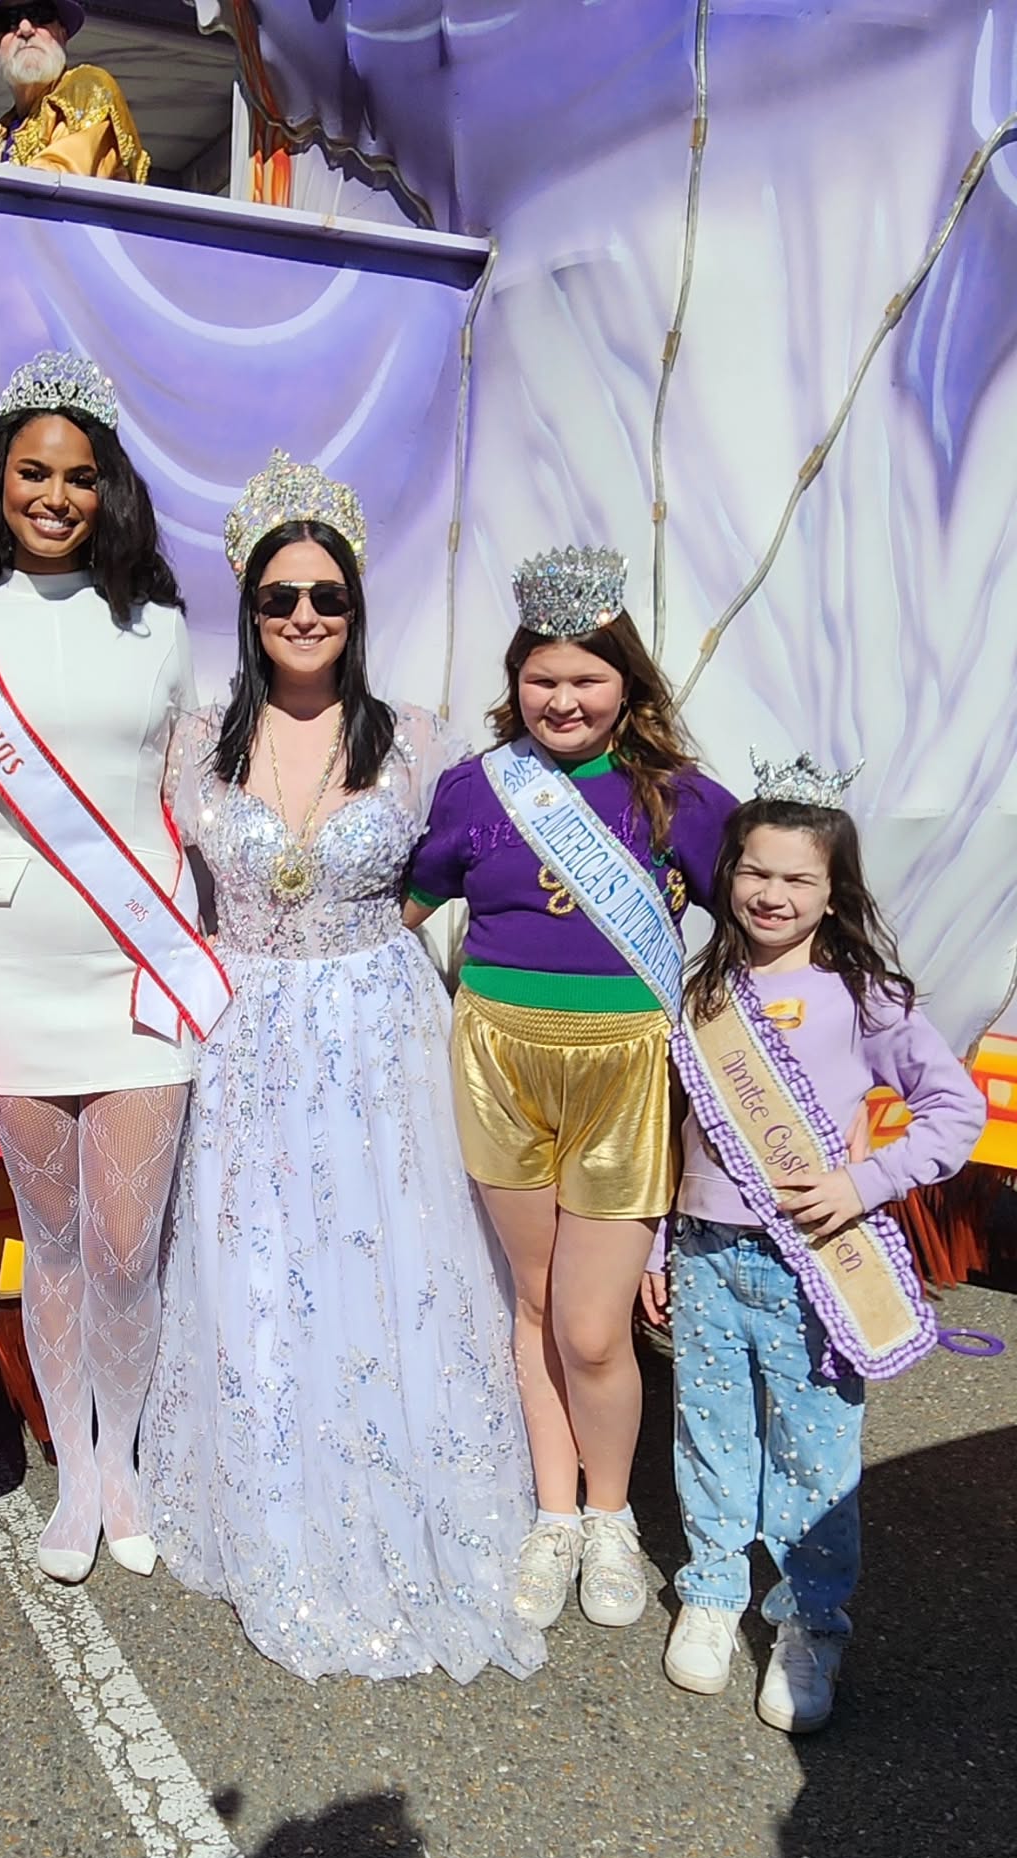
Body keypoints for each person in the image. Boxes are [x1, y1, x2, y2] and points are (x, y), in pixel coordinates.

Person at [139, 450, 542, 1683]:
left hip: (380, 1030)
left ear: (355, 609)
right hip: (244, 1032)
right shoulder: (191, 743)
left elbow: (480, 872)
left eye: (327, 596)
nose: (305, 614)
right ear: (249, 610)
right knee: (259, 1262)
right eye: (281, 597)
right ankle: (271, 1496)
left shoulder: (416, 738)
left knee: (392, 1256)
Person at [0, 350, 228, 1585]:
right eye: (32, 473)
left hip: (138, 963)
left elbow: (198, 792)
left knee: (125, 1243)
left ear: (109, 489)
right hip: (14, 964)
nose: (54, 495)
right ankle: (77, 1472)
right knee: (47, 1243)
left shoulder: (160, 626)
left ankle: (128, 1462)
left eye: (79, 475)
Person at [405, 547, 737, 1638]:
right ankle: (555, 1513)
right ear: (516, 683)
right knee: (538, 1305)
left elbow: (767, 910)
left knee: (595, 1330)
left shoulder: (683, 800)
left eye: (587, 679)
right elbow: (404, 908)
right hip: (499, 1061)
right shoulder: (474, 788)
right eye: (542, 679)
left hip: (624, 1073)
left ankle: (612, 1516)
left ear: (626, 686)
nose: (563, 699)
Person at [647, 761, 984, 1731]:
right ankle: (714, 1590)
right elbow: (676, 1131)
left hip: (815, 1265)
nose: (772, 893)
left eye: (798, 878)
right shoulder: (701, 991)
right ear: (728, 875)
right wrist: (656, 1248)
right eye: (755, 871)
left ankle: (809, 1622)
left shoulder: (863, 994)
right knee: (709, 1433)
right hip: (708, 1253)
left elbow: (953, 1110)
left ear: (834, 891)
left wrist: (862, 1182)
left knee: (815, 1451)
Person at [0, 2, 150, 183]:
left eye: (41, 14)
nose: (25, 29)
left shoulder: (85, 87)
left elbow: (56, 178)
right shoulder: (6, 130)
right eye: (5, 21)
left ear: (62, 34)